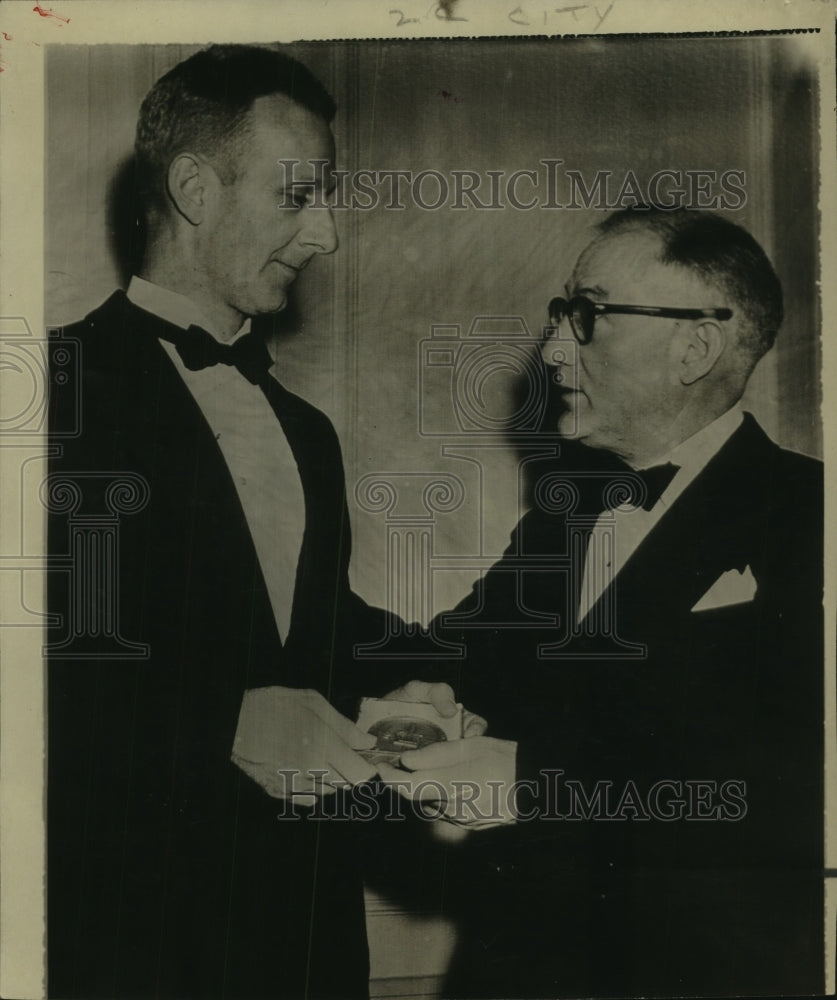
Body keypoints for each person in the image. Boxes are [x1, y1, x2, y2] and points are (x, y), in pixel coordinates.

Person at [46, 44, 453, 1000]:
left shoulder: (306, 431)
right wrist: (215, 722)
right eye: (298, 196)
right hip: (127, 938)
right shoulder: (47, 391)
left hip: (302, 932)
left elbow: (305, 632)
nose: (328, 236)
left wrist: (421, 674)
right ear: (193, 186)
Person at [379, 208, 824, 996]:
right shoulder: (560, 518)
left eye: (586, 316)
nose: (551, 350)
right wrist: (409, 694)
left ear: (696, 345)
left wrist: (530, 779)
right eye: (559, 316)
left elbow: (794, 784)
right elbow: (453, 657)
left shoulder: (810, 514)